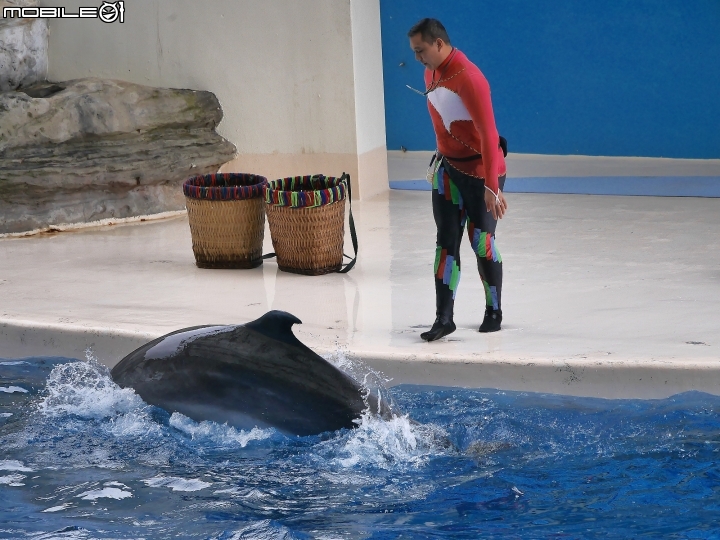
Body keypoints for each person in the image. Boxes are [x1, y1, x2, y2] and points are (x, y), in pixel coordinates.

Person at [408, 18, 509, 342]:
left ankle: (493, 310)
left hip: (480, 174)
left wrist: (492, 187)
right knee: (445, 242)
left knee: (481, 242)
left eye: (421, 50)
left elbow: (489, 135)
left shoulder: (470, 79)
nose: (418, 58)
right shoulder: (430, 72)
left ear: (439, 43)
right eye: (414, 51)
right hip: (448, 170)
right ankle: (444, 317)